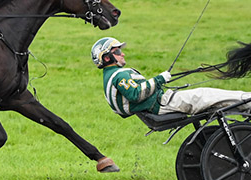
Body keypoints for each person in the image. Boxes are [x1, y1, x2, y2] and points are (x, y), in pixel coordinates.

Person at [93, 37, 251, 117]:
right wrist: (160, 78)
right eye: (118, 51)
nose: (122, 54)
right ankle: (248, 101)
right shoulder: (118, 75)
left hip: (162, 102)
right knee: (206, 94)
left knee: (210, 96)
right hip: (164, 104)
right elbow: (135, 94)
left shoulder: (110, 76)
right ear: (107, 58)